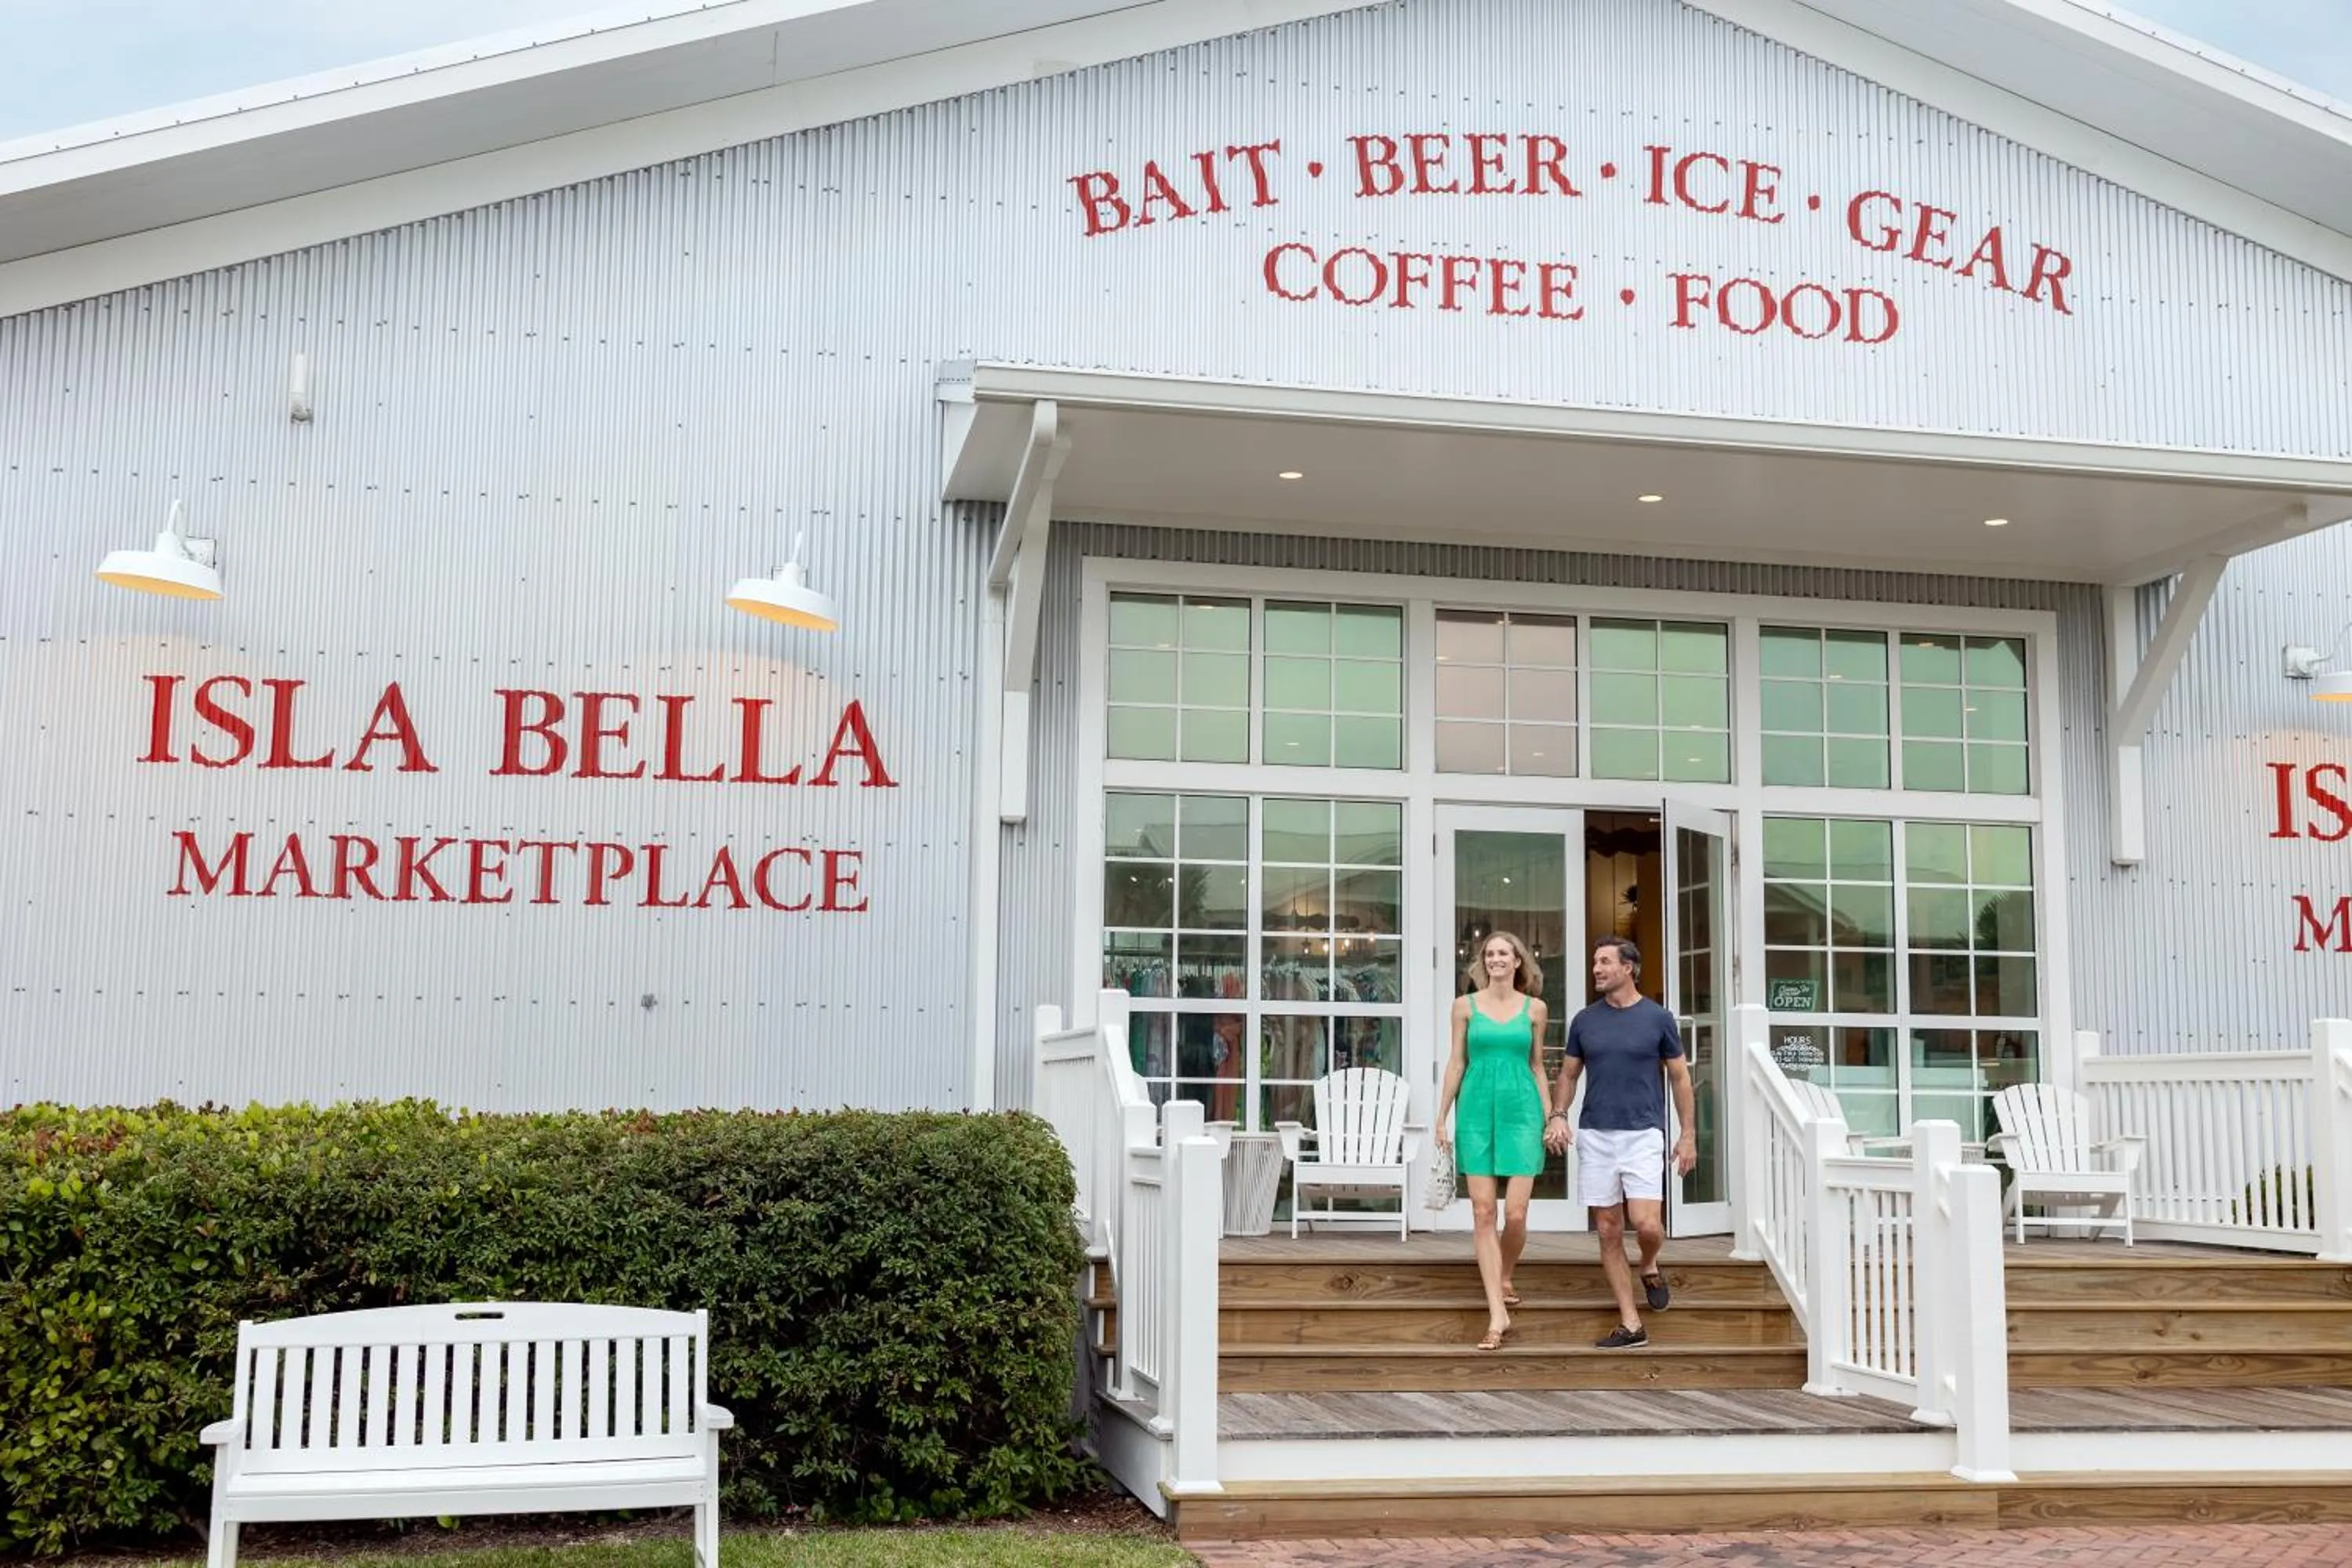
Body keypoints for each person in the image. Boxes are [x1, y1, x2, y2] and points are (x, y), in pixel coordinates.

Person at [1544, 936, 1695, 1349]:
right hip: (1596, 1134)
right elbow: (1570, 1075)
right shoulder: (1585, 1021)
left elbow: (1681, 1078)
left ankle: (1648, 1262)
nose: (1597, 968)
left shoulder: (1658, 1018)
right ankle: (1631, 1323)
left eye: (1605, 962)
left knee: (1647, 1223)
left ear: (1629, 968)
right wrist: (1559, 1114)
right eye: (1595, 961)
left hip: (1644, 1133)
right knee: (1609, 1229)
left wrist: (1688, 1135)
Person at [1435, 931, 1552, 1351]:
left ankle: (1505, 1274)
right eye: (1489, 954)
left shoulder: (1535, 1009)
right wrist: (1440, 1117)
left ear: (1519, 961)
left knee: (1516, 1214)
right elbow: (1456, 1061)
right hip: (1476, 1110)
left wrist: (1553, 1114)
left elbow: (1537, 1066)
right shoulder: (1464, 1006)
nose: (1496, 959)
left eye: (1504, 953)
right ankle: (1496, 1315)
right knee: (1484, 1212)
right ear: (1483, 963)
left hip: (1522, 1110)